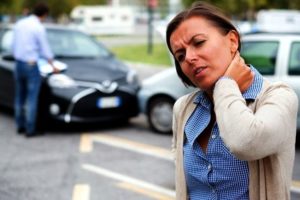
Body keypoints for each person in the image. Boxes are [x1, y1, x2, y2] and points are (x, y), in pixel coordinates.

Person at [166, 1, 298, 200]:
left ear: (233, 41)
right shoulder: (183, 109)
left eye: (199, 42)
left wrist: (226, 84)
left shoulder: (279, 96)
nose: (190, 58)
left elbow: (245, 142)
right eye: (180, 55)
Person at [12, 2, 58, 137]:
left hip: (18, 63)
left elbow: (13, 45)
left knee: (19, 97)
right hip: (31, 65)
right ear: (44, 15)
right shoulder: (38, 27)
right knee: (32, 98)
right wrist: (52, 65)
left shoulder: (20, 24)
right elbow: (45, 49)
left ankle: (20, 126)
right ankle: (30, 130)